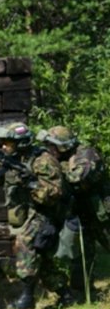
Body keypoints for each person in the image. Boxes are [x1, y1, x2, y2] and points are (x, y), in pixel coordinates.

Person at [0, 122, 74, 309]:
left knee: (25, 245)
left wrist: (32, 184)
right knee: (41, 260)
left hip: (46, 215)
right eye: (3, 142)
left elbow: (54, 194)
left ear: (22, 143)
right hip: (26, 215)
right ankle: (65, 293)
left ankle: (27, 298)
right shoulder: (7, 159)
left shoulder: (43, 160)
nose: (3, 146)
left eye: (8, 143)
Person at [38, 125, 109, 295]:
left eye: (52, 146)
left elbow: (78, 177)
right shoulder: (62, 158)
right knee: (80, 253)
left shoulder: (86, 153)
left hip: (101, 212)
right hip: (80, 213)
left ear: (63, 146)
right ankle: (81, 290)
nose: (49, 150)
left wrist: (54, 170)